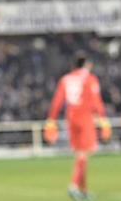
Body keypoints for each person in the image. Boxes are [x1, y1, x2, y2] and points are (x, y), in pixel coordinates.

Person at [44, 56, 110, 201]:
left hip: (71, 118)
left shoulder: (65, 79)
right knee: (83, 155)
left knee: (80, 155)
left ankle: (83, 191)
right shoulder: (90, 78)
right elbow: (96, 101)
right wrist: (103, 120)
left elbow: (57, 101)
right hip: (85, 117)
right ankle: (73, 186)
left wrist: (51, 121)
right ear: (86, 64)